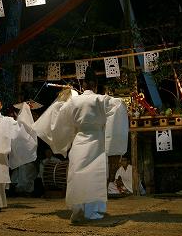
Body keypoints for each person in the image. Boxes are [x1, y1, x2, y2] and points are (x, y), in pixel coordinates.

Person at [33, 67, 129, 223]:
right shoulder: (103, 99)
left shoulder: (73, 101)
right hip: (97, 139)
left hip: (79, 140)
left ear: (83, 85)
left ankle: (77, 211)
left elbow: (60, 117)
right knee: (94, 176)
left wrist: (64, 98)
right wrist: (111, 138)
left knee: (77, 175)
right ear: (96, 85)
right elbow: (119, 106)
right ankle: (93, 211)